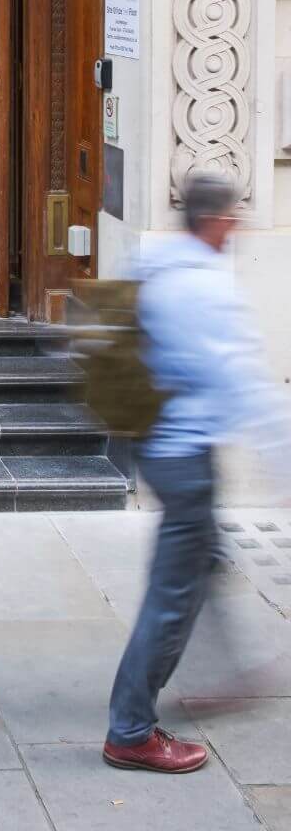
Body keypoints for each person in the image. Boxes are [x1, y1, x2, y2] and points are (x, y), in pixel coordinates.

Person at [104, 169, 291, 775]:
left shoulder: (155, 261)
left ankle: (221, 676)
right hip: (184, 457)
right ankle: (130, 730)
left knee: (203, 559)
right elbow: (243, 386)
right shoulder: (207, 289)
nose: (237, 225)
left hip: (153, 442)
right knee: (173, 594)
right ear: (216, 221)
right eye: (232, 215)